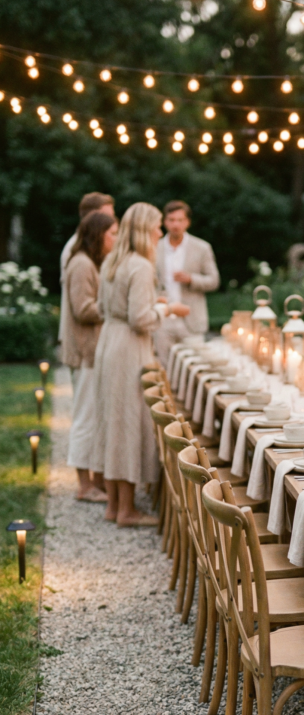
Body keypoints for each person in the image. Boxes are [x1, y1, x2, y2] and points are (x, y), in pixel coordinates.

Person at [92, 203, 190, 526]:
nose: (160, 233)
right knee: (129, 424)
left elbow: (109, 307)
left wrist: (153, 303)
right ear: (145, 231)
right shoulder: (141, 266)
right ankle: (127, 510)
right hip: (129, 349)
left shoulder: (112, 261)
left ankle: (113, 507)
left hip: (110, 342)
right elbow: (140, 319)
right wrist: (167, 310)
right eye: (156, 228)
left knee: (112, 421)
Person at [62, 211, 118, 501]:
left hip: (93, 351)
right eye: (112, 234)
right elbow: (83, 309)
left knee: (93, 416)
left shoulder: (91, 262)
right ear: (98, 235)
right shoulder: (81, 264)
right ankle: (84, 486)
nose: (116, 239)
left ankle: (94, 481)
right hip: (86, 352)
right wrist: (115, 307)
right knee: (85, 418)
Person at [154, 201, 220, 365]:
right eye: (171, 220)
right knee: (163, 369)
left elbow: (214, 280)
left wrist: (191, 279)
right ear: (164, 222)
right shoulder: (155, 247)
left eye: (180, 220)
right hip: (163, 319)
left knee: (195, 368)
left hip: (191, 319)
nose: (176, 224)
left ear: (187, 222)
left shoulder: (202, 247)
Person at [58, 192, 115, 343]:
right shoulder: (76, 252)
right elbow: (80, 306)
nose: (111, 221)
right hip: (82, 339)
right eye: (106, 215)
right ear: (92, 217)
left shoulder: (94, 249)